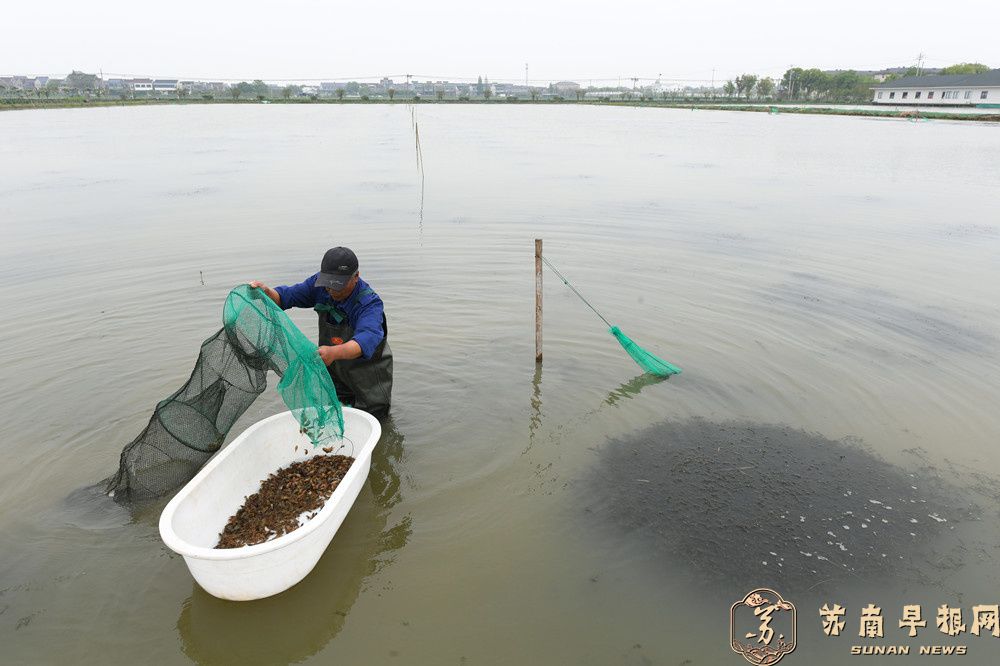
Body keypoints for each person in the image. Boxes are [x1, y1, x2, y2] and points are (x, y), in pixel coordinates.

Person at [250, 246, 392, 419]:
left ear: (356, 276)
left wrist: (333, 352)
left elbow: (365, 339)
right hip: (336, 374)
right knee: (339, 412)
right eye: (328, 284)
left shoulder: (369, 304)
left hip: (369, 379)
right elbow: (285, 297)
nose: (331, 290)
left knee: (376, 420)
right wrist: (267, 292)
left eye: (338, 285)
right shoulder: (319, 285)